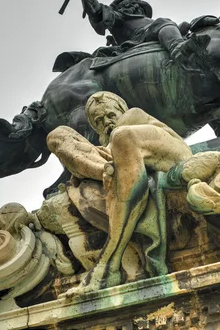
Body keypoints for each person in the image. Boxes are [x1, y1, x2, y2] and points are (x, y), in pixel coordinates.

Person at [46, 91, 194, 294]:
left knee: (121, 135)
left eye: (110, 115)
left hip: (168, 155)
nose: (106, 122)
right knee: (58, 135)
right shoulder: (107, 144)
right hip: (116, 161)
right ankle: (104, 171)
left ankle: (107, 266)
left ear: (120, 109)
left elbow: (126, 135)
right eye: (99, 121)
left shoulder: (132, 116)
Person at [69, 0, 210, 63]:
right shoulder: (119, 17)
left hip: (156, 34)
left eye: (137, 4)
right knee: (163, 22)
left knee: (184, 25)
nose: (134, 6)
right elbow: (98, 12)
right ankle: (178, 49)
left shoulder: (148, 22)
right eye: (129, 4)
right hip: (136, 41)